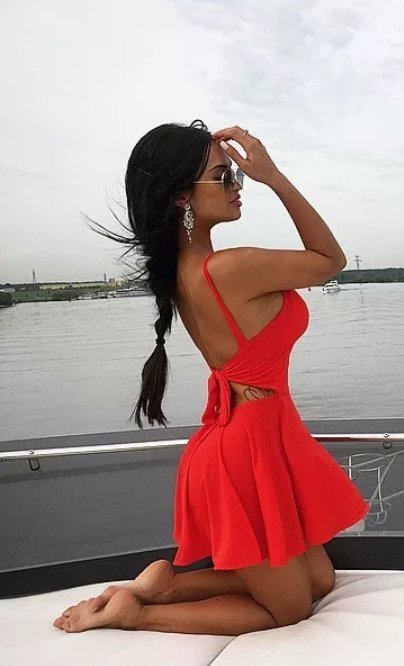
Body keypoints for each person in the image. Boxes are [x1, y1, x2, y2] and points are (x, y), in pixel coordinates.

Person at [53, 120, 369, 635]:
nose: (238, 185)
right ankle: (139, 613)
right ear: (182, 196)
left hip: (257, 438)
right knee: (290, 610)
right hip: (245, 453)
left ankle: (163, 586)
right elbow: (330, 260)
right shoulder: (228, 269)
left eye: (238, 176)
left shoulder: (187, 270)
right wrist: (273, 176)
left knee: (320, 580)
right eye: (224, 176)